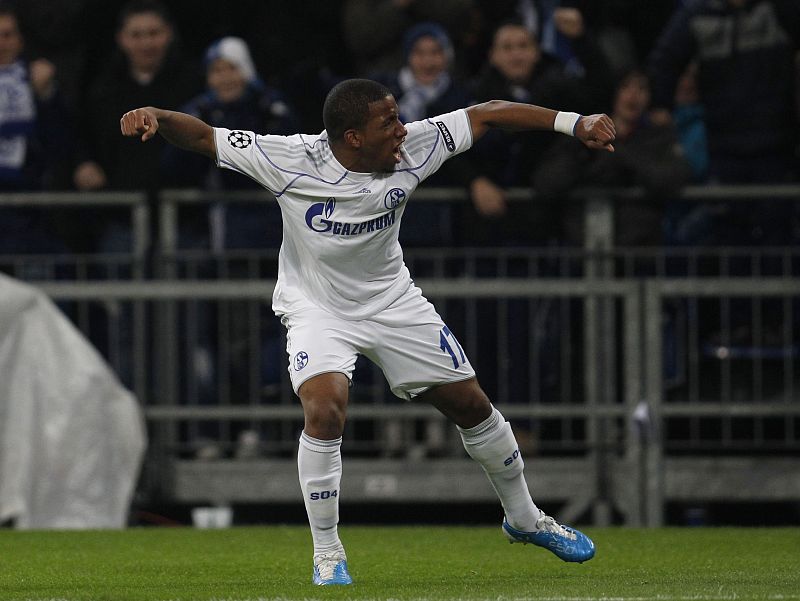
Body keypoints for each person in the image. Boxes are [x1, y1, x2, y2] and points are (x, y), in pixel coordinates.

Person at [120, 78, 615, 585]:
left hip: (393, 301)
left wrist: (573, 123)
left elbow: (486, 113)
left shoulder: (415, 146)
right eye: (388, 122)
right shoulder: (291, 159)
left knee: (472, 406)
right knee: (324, 408)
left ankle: (525, 518)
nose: (402, 130)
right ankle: (328, 554)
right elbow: (205, 136)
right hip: (318, 308)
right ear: (353, 137)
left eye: (398, 117)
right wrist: (157, 113)